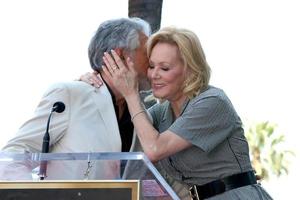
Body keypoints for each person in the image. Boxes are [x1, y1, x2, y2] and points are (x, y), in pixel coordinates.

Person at [96, 26, 273, 199]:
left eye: (164, 68)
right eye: (151, 66)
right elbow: (127, 125)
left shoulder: (213, 102)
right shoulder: (161, 113)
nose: (153, 75)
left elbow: (155, 149)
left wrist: (130, 94)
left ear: (190, 69)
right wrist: (95, 83)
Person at [0, 17, 151, 181]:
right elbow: (13, 155)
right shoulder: (70, 95)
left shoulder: (144, 116)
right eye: (147, 52)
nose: (153, 60)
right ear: (120, 54)